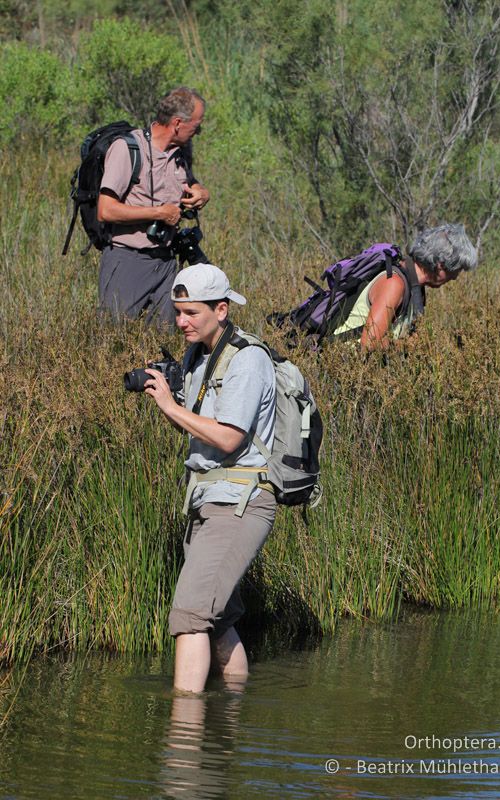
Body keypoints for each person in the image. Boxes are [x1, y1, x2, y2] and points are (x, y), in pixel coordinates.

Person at [143, 263, 277, 693]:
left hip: (239, 502)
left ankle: (183, 734)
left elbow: (228, 437)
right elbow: (198, 430)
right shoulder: (199, 354)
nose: (181, 321)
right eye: (177, 311)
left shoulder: (247, 359)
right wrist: (172, 397)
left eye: (191, 313)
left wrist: (169, 406)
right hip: (206, 499)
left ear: (221, 309)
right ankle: (232, 708)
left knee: (190, 616)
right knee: (217, 621)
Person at [97, 86, 210, 327]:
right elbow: (106, 210)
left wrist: (201, 191)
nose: (199, 131)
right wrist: (159, 212)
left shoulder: (180, 152)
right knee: (114, 337)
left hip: (167, 261)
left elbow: (188, 182)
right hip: (128, 259)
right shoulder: (127, 149)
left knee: (164, 340)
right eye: (196, 125)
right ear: (178, 123)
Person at [334, 223, 478, 349]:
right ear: (441, 265)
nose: (455, 278)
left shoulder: (417, 288)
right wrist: (409, 346)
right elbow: (370, 344)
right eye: (456, 270)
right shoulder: (394, 284)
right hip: (339, 366)